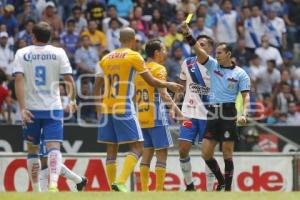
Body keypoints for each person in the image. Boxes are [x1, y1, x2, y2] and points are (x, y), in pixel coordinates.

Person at [93, 27, 183, 192]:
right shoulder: (135, 57)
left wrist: (97, 107)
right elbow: (152, 83)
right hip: (129, 109)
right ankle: (121, 182)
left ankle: (114, 189)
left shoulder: (105, 58)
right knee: (140, 148)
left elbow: (96, 85)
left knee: (112, 149)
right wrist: (169, 85)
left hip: (108, 108)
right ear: (133, 40)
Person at [181, 21, 250, 191]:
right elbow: (197, 49)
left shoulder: (240, 74)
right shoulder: (212, 65)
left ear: (228, 54)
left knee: (227, 152)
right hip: (212, 112)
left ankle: (227, 189)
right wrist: (188, 33)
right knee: (206, 153)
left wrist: (244, 114)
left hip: (228, 113)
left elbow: (245, 96)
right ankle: (221, 180)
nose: (217, 55)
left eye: (220, 53)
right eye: (216, 53)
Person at [13, 22, 77, 192]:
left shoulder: (22, 53)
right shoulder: (59, 52)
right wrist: (72, 100)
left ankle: (36, 191)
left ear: (33, 36)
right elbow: (69, 80)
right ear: (49, 37)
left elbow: (18, 80)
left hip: (31, 109)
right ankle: (54, 185)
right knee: (54, 147)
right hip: (53, 109)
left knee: (33, 149)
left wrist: (22, 108)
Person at [136, 39, 183, 192]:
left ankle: (144, 191)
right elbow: (163, 94)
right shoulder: (159, 69)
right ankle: (158, 191)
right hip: (157, 116)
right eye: (163, 50)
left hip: (142, 116)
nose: (165, 53)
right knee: (162, 153)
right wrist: (179, 113)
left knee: (147, 152)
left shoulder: (139, 71)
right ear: (156, 53)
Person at [173, 35, 215, 192]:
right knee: (183, 150)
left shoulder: (214, 66)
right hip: (189, 113)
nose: (200, 47)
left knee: (207, 155)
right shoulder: (187, 63)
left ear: (210, 48)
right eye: (198, 44)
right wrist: (173, 105)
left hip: (208, 116)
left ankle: (210, 190)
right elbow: (181, 86)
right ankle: (190, 185)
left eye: (203, 44)